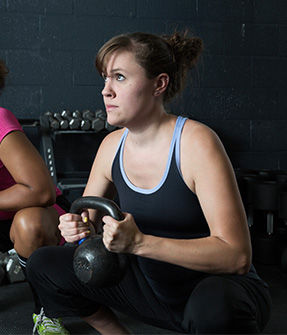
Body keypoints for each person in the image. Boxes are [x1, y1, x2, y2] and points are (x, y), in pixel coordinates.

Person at [26, 31, 272, 334]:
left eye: (119, 77)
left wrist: (140, 243)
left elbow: (237, 256)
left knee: (213, 306)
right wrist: (75, 227)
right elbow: (84, 218)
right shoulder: (112, 146)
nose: (106, 91)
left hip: (216, 291)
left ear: (159, 84)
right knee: (44, 263)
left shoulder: (196, 143)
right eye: (105, 78)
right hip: (153, 290)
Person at [0, 59, 70, 335]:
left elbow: (41, 191)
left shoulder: (0, 119)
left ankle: (49, 311)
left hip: (36, 213)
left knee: (30, 224)